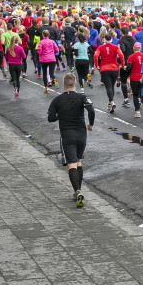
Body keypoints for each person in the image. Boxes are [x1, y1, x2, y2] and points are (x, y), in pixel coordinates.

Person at [47, 73, 95, 208]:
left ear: (63, 84)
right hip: (81, 134)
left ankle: (77, 191)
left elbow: (50, 118)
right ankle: (78, 191)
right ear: (75, 84)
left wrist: (60, 115)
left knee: (71, 164)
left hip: (67, 134)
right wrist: (91, 124)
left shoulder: (57, 100)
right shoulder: (83, 97)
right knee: (79, 162)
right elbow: (91, 110)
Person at [94, 32, 125, 113]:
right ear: (111, 39)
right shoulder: (115, 47)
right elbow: (121, 55)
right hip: (114, 68)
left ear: (104, 39)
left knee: (108, 87)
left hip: (104, 68)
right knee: (111, 86)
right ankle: (110, 104)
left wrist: (97, 65)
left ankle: (111, 102)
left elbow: (95, 55)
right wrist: (122, 64)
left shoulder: (100, 48)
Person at [127, 42, 143, 118]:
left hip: (134, 78)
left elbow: (128, 67)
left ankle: (137, 111)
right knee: (142, 92)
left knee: (135, 95)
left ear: (133, 48)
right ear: (141, 48)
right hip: (142, 77)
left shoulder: (131, 57)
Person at [37, 29, 58, 94]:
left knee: (45, 74)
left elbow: (39, 51)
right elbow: (57, 50)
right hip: (52, 59)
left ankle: (46, 88)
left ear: (42, 35)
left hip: (44, 59)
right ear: (49, 35)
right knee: (51, 73)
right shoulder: (52, 41)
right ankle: (54, 79)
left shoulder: (41, 42)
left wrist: (41, 53)